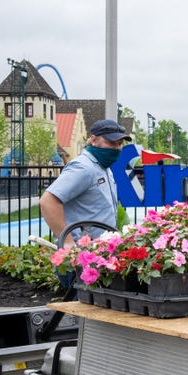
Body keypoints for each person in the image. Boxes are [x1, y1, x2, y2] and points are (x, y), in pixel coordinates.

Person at [41, 119, 131, 286]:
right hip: (80, 260)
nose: (117, 148)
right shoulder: (83, 168)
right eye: (111, 142)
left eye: (119, 143)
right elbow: (48, 201)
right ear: (93, 139)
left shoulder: (103, 167)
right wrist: (67, 242)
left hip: (98, 257)